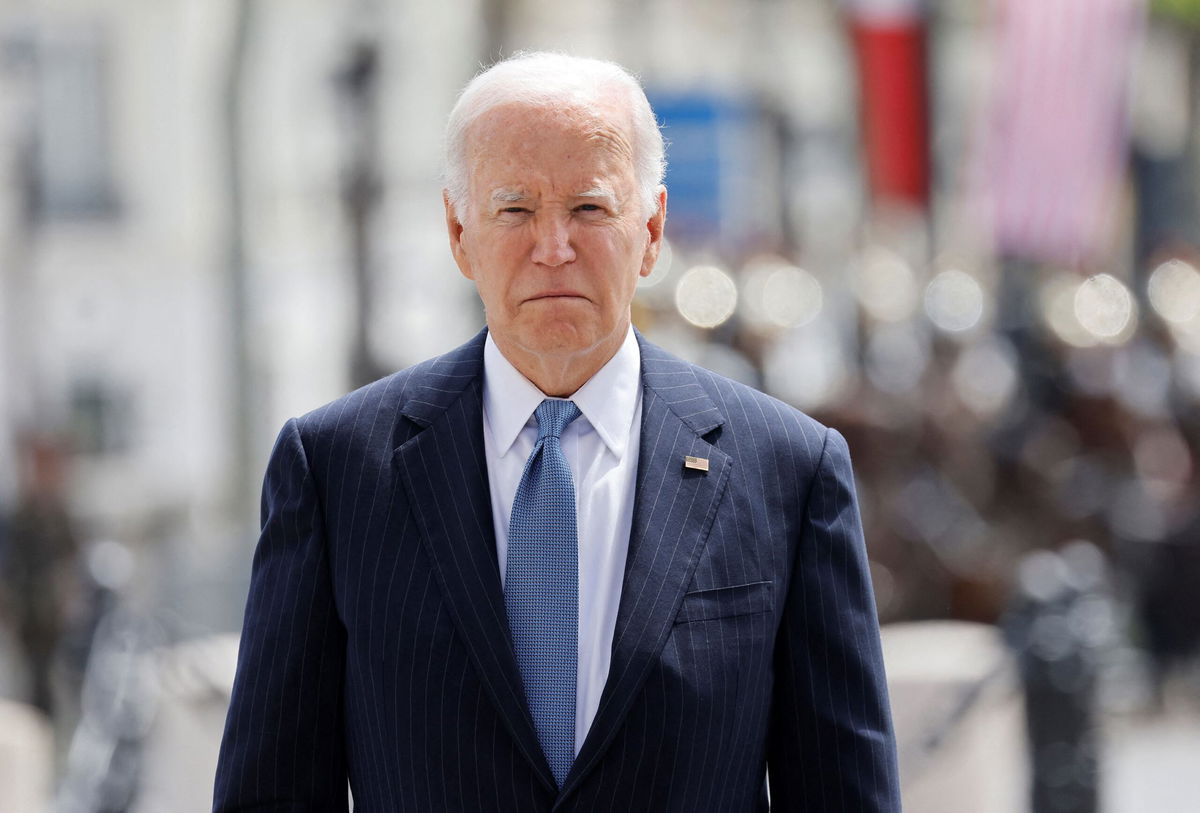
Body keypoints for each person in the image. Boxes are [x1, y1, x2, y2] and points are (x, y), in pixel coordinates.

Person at [214, 52, 900, 812]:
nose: (553, 247)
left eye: (589, 208)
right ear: (457, 231)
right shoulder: (337, 469)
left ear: (652, 230)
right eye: (514, 209)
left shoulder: (787, 469)